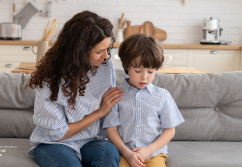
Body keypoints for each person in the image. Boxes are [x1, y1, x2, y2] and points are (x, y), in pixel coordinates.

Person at [26, 11, 123, 167]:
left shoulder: (104, 65)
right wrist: (100, 112)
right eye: (99, 51)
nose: (106, 56)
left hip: (92, 141)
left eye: (107, 49)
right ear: (79, 51)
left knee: (109, 153)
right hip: (54, 144)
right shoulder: (50, 79)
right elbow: (58, 134)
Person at [103, 34, 184, 167]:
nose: (144, 77)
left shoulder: (162, 96)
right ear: (126, 66)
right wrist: (127, 153)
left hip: (153, 154)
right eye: (138, 71)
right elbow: (111, 130)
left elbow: (170, 130)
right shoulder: (116, 95)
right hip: (125, 153)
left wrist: (148, 150)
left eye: (151, 72)